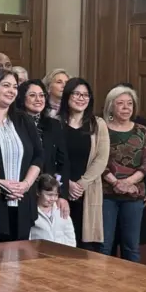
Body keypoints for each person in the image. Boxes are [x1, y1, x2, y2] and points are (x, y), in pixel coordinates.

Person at [0, 69, 42, 242]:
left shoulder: (24, 120)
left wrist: (26, 185)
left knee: (20, 261)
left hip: (23, 201)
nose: (11, 90)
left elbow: (38, 156)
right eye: (6, 85)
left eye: (15, 87)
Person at [101, 85, 146, 262]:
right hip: (106, 194)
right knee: (104, 245)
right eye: (121, 104)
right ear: (111, 106)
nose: (126, 108)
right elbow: (98, 161)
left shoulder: (142, 131)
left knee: (131, 246)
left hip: (134, 195)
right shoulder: (101, 129)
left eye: (130, 104)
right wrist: (116, 183)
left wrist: (129, 182)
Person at [57, 78, 110, 250]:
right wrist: (66, 184)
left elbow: (101, 158)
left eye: (86, 95)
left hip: (87, 189)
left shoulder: (98, 124)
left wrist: (81, 184)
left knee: (86, 245)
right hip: (59, 190)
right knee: (60, 242)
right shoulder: (54, 122)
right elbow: (50, 159)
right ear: (67, 96)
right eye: (77, 94)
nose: (81, 98)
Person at [15, 79, 64, 181]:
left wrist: (59, 185)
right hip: (21, 183)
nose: (38, 99)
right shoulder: (14, 125)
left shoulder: (54, 125)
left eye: (42, 95)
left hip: (49, 187)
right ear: (22, 99)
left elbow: (63, 161)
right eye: (32, 95)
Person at [28, 174, 76, 247]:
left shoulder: (61, 209)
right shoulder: (32, 212)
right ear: (38, 192)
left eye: (56, 195)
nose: (53, 198)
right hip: (41, 254)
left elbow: (70, 234)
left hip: (62, 254)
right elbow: (29, 237)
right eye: (49, 195)